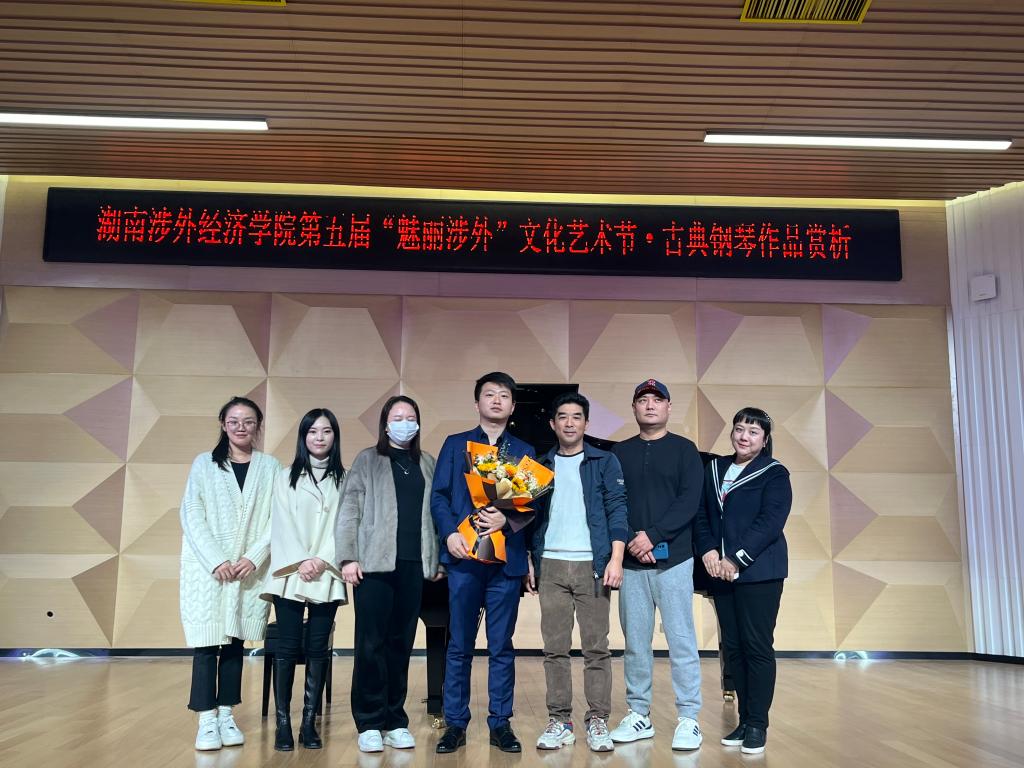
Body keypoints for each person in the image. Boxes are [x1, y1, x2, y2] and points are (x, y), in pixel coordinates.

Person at [430, 372, 534, 754]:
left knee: (501, 646)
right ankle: (455, 724)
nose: (496, 400)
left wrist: (508, 519)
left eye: (504, 395)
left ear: (512, 406)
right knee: (459, 645)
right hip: (464, 560)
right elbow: (439, 497)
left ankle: (500, 723)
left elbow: (534, 506)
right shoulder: (455, 444)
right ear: (477, 403)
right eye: (489, 394)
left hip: (505, 563)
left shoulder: (523, 450)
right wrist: (449, 534)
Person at [336, 395, 442, 753]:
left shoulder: (427, 462)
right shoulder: (368, 459)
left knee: (401, 644)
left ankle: (395, 719)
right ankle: (369, 721)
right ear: (385, 424)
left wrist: (438, 559)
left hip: (414, 565)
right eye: (397, 417)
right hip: (373, 565)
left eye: (410, 417)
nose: (404, 423)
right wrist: (348, 557)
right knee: (371, 645)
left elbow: (437, 515)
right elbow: (349, 510)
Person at [527, 392, 627, 753]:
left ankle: (597, 719)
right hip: (551, 564)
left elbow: (618, 509)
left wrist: (616, 559)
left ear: (586, 423)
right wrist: (529, 560)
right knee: (554, 648)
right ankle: (560, 721)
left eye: (576, 417)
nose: (569, 423)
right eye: (563, 417)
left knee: (596, 648)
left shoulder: (604, 461)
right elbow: (526, 516)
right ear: (553, 424)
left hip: (593, 565)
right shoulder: (539, 465)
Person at [179, 396, 280, 751]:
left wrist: (254, 556)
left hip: (247, 571)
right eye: (234, 421)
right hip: (210, 571)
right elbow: (192, 514)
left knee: (236, 642)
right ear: (223, 424)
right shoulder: (204, 464)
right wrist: (216, 560)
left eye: (248, 421)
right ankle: (206, 719)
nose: (241, 427)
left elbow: (277, 517)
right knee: (207, 644)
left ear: (257, 426)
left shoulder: (270, 466)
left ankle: (226, 713)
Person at [609, 379, 705, 751]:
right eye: (643, 400)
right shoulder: (620, 452)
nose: (650, 405)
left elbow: (689, 501)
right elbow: (613, 500)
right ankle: (639, 714)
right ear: (634, 408)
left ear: (668, 407)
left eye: (657, 400)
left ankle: (689, 718)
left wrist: (653, 535)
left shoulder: (685, 450)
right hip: (633, 563)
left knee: (681, 641)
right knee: (635, 644)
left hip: (675, 561)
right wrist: (635, 539)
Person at [694, 407, 792, 756]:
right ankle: (743, 719)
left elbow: (770, 522)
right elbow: (701, 514)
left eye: (753, 432)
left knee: (756, 646)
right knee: (733, 648)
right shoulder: (715, 468)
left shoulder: (774, 473)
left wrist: (736, 559)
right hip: (719, 572)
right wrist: (707, 550)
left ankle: (757, 724)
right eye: (739, 429)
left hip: (759, 572)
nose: (744, 436)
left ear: (764, 440)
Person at [261, 408, 347, 752]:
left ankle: (309, 723)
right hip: (291, 571)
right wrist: (302, 560)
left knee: (318, 650)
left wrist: (322, 559)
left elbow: (346, 523)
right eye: (313, 431)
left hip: (327, 570)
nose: (319, 437)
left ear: (335, 436)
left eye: (326, 431)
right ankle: (283, 723)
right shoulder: (285, 477)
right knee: (286, 647)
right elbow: (279, 523)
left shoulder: (346, 478)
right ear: (304, 436)